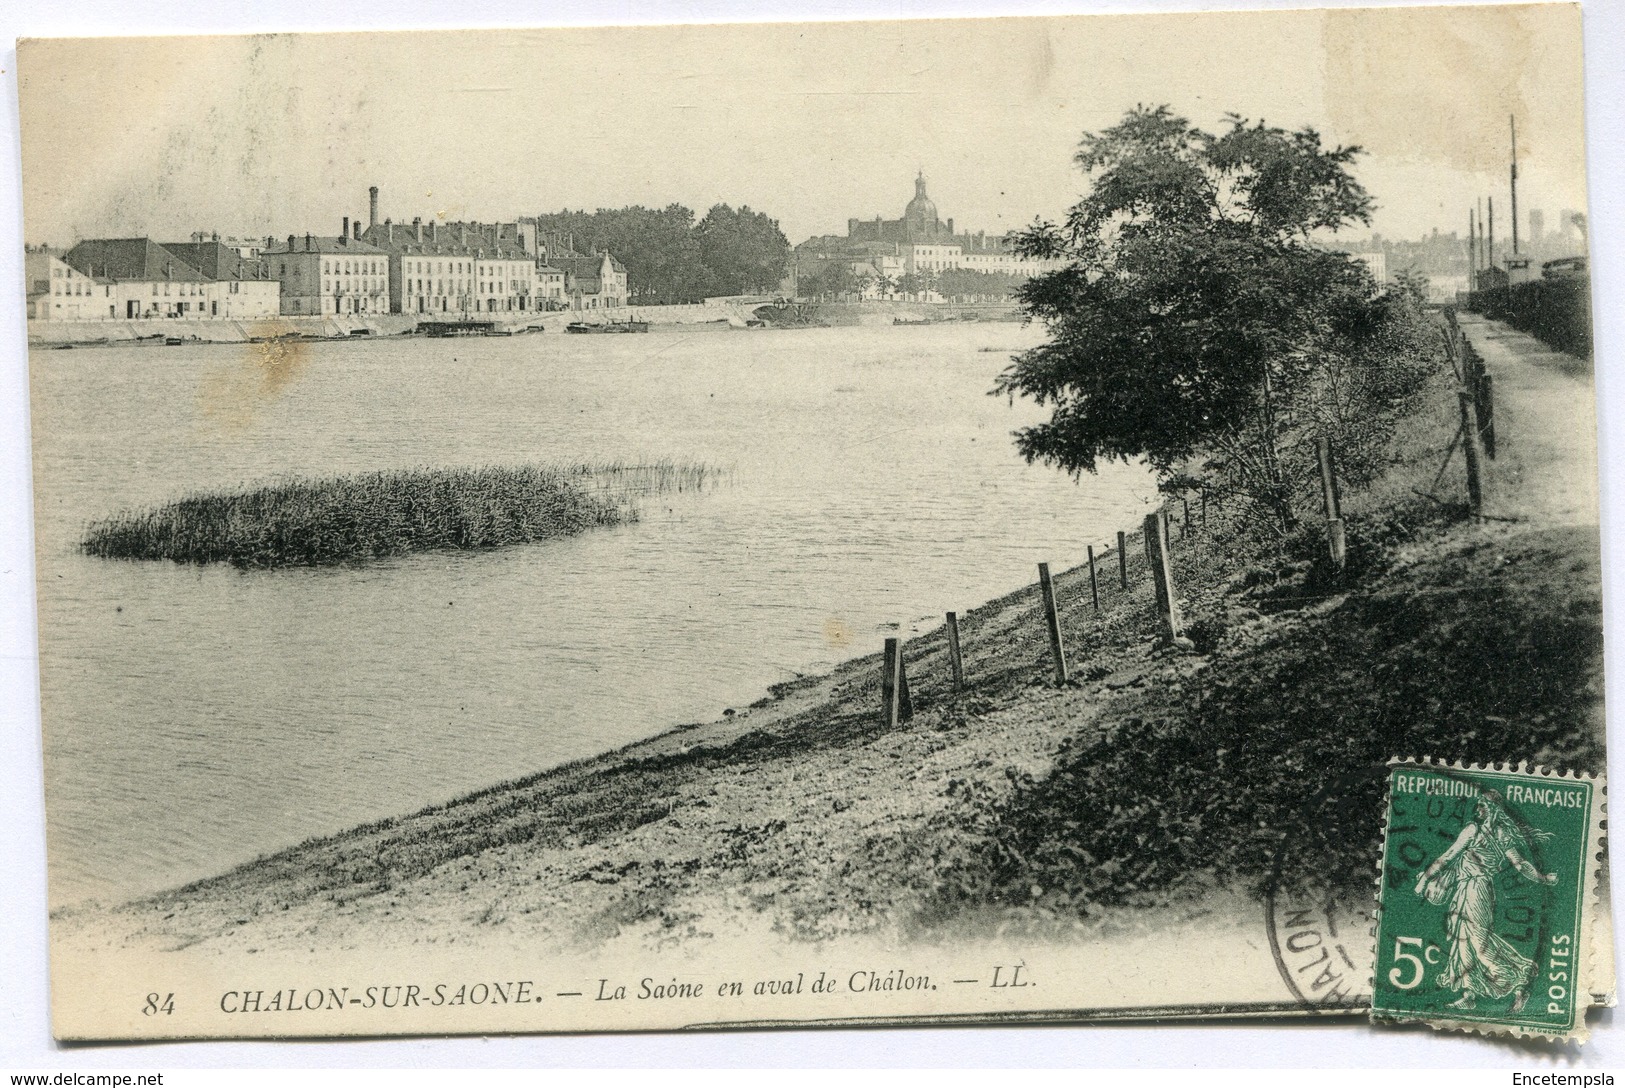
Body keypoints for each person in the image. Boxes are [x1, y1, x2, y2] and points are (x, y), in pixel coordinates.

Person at [1413, 790, 1557, 1012]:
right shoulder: (1500, 834)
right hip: (1469, 888)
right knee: (1463, 941)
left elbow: (1448, 856)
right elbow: (1520, 865)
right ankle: (1469, 994)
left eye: (1482, 805)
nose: (1477, 809)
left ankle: (1519, 980)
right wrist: (1543, 878)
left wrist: (1424, 881)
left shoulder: (1478, 830)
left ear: (1493, 809)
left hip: (1476, 889)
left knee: (1480, 943)